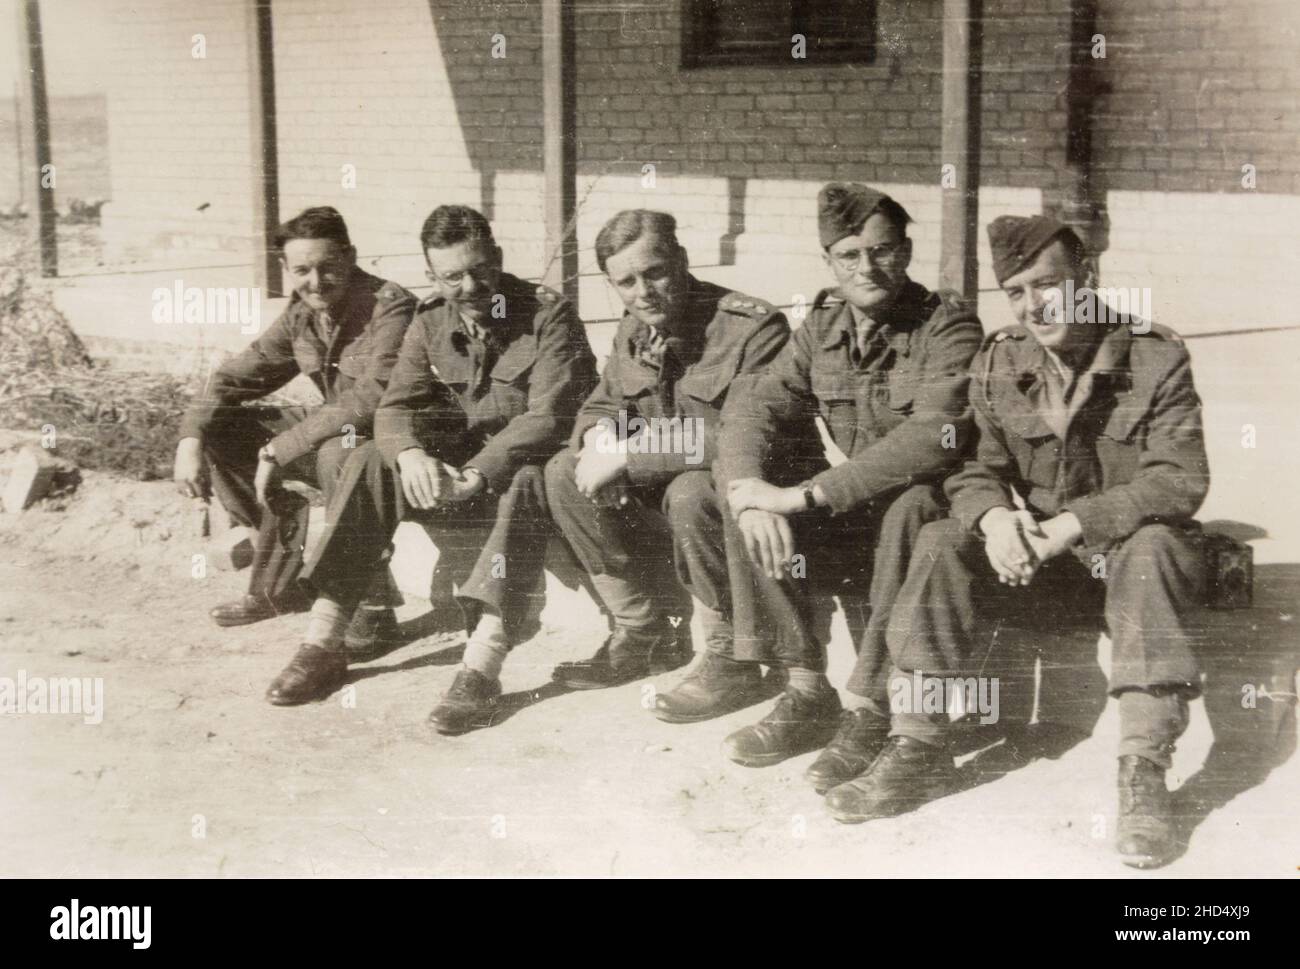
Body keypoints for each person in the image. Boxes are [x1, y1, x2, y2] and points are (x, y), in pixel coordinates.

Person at [825, 215, 1210, 872]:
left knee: (1155, 548)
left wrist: (1075, 523)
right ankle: (918, 743)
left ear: (1086, 278)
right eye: (1016, 292)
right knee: (945, 535)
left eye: (1048, 285)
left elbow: (1181, 478)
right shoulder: (1003, 357)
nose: (1034, 306)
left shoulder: (1154, 354)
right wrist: (995, 520)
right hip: (1032, 567)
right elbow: (975, 468)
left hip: (1115, 561)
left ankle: (1143, 772)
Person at [671, 183, 981, 789]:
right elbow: (755, 404)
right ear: (830, 263)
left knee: (911, 507)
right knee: (719, 493)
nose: (867, 268)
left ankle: (874, 709)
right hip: (854, 507)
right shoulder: (824, 322)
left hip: (923, 517)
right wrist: (748, 494)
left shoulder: (947, 325)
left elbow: (933, 437)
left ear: (906, 251)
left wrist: (802, 496)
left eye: (883, 250)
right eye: (849, 255)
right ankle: (808, 691)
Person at [264, 204, 598, 734]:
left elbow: (551, 415)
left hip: (522, 466)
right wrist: (411, 454)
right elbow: (395, 407)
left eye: (479, 270)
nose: (469, 286)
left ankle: (481, 669)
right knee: (373, 455)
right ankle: (324, 640)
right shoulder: (429, 321)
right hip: (459, 469)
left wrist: (479, 472)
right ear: (432, 277)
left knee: (529, 479)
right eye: (452, 276)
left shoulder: (547, 315)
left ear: (498, 259)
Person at [545, 210, 791, 691]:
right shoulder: (634, 328)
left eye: (655, 272)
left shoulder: (751, 327)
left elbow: (736, 436)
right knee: (563, 470)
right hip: (663, 496)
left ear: (680, 260)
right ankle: (643, 632)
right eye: (627, 282)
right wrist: (602, 440)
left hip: (741, 495)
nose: (644, 292)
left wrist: (627, 458)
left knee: (690, 488)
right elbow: (603, 402)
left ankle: (731, 657)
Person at [173, 206, 415, 649]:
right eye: (302, 270)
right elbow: (232, 378)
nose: (316, 281)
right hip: (339, 425)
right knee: (222, 427)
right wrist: (190, 439)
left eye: (329, 267)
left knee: (337, 453)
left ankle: (374, 610)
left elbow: (372, 397)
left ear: (351, 256)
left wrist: (279, 448)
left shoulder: (389, 306)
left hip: (400, 434)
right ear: (285, 269)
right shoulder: (302, 314)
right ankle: (280, 584)